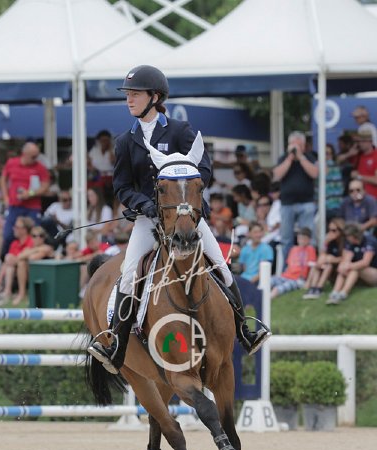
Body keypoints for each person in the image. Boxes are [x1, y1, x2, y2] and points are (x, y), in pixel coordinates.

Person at [88, 65, 270, 372]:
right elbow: (122, 187)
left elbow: (205, 169)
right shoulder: (125, 140)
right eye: (128, 95)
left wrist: (185, 199)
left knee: (220, 265)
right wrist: (145, 204)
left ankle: (244, 330)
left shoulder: (180, 131)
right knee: (130, 273)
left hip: (185, 217)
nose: (129, 100)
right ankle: (116, 344)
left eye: (135, 94)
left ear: (155, 97)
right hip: (149, 220)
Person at [273, 130, 318, 263]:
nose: (295, 148)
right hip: (287, 204)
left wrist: (301, 157)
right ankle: (288, 267)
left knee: (307, 236)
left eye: (298, 145)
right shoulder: (284, 158)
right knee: (286, 238)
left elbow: (314, 173)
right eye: (293, 144)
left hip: (306, 202)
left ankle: (306, 266)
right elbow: (277, 175)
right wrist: (290, 158)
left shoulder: (309, 157)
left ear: (303, 146)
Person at [0, 141, 50, 255]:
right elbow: (3, 179)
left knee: (34, 235)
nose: (36, 158)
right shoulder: (12, 163)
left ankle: (28, 259)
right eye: (33, 156)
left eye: (37, 156)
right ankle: (6, 258)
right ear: (25, 154)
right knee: (8, 235)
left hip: (32, 207)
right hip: (14, 205)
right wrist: (5, 197)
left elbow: (45, 186)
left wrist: (30, 193)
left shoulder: (40, 167)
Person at [326, 222, 377, 305]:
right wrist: (343, 266)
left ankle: (343, 293)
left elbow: (365, 262)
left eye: (348, 236)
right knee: (347, 268)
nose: (346, 238)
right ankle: (335, 293)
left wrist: (348, 266)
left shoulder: (369, 241)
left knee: (355, 268)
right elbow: (347, 259)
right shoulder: (350, 243)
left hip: (374, 273)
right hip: (361, 272)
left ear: (353, 235)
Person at [10, 225, 54, 306]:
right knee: (21, 263)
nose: (38, 238)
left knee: (23, 263)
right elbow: (19, 257)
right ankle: (22, 293)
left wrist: (31, 251)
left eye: (41, 236)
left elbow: (33, 258)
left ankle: (25, 294)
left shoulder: (47, 248)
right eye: (34, 236)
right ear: (31, 237)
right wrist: (35, 249)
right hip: (32, 274)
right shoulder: (32, 248)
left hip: (46, 276)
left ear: (44, 238)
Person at [303, 218, 345, 299]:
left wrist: (332, 259)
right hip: (329, 265)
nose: (331, 233)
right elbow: (322, 256)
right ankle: (313, 288)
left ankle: (319, 288)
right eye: (329, 230)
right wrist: (326, 242)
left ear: (340, 231)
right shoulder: (331, 241)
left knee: (328, 265)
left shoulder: (345, 242)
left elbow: (345, 259)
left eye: (334, 230)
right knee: (320, 263)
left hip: (339, 268)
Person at [270, 227, 316, 299]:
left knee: (278, 288)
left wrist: (308, 282)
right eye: (300, 238)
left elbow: (313, 267)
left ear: (309, 240)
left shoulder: (310, 249)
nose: (302, 241)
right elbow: (289, 265)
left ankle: (267, 299)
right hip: (285, 276)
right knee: (269, 281)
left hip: (297, 280)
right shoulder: (293, 249)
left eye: (304, 239)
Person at [350, 130, 377, 199]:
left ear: (370, 141)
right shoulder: (357, 155)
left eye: (363, 141)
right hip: (358, 197)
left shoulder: (375, 156)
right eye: (359, 141)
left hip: (373, 198)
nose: (360, 144)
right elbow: (338, 160)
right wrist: (349, 153)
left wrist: (359, 176)